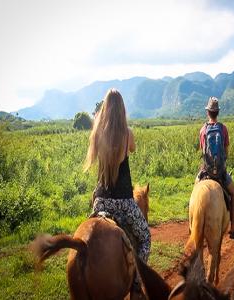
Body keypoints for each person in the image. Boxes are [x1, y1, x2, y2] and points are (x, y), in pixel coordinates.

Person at [84, 88, 150, 297]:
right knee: (146, 238)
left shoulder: (96, 134)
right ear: (121, 109)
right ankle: (137, 284)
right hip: (123, 202)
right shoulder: (127, 134)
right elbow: (133, 149)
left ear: (105, 108)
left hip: (100, 201)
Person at [197, 96, 234, 240]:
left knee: (195, 192)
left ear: (208, 112)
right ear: (217, 112)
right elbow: (226, 151)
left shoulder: (203, 130)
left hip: (206, 172)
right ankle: (233, 227)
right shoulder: (223, 129)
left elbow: (203, 150)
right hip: (220, 173)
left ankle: (191, 226)